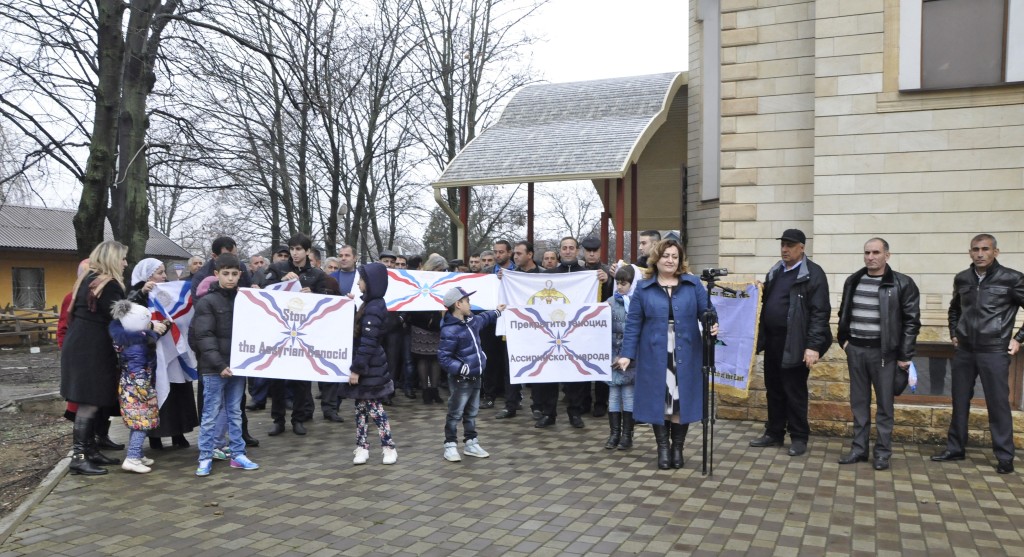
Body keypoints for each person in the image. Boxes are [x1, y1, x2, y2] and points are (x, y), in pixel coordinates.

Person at [616, 239, 716, 470]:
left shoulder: (693, 285)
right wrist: (627, 355)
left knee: (680, 400)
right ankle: (662, 447)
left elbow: (707, 312)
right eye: (666, 256)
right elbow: (633, 324)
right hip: (654, 352)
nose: (670, 260)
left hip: (687, 351)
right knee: (660, 400)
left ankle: (677, 448)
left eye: (675, 256)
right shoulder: (643, 287)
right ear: (656, 259)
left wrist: (713, 323)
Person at [932, 234, 1024, 474]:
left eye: (985, 249)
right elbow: (954, 309)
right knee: (959, 401)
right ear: (970, 252)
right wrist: (954, 332)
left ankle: (1005, 456)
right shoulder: (962, 278)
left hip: (994, 351)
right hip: (964, 350)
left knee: (998, 405)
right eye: (975, 249)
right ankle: (955, 448)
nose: (980, 253)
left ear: (996, 251)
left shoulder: (1012, 279)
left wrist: (1018, 339)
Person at [836, 238, 921, 471]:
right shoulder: (853, 280)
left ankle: (882, 453)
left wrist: (904, 355)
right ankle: (858, 449)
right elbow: (844, 311)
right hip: (856, 351)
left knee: (885, 406)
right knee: (859, 403)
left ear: (887, 255)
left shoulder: (902, 283)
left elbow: (912, 323)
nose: (871, 257)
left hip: (885, 355)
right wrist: (844, 341)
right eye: (867, 252)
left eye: (876, 252)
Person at [749, 229, 832, 457]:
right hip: (774, 342)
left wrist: (813, 346)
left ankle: (799, 437)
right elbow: (768, 302)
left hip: (796, 342)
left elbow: (820, 312)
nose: (785, 249)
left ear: (802, 248)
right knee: (774, 389)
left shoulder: (813, 274)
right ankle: (774, 433)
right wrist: (758, 289)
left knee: (794, 391)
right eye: (783, 245)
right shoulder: (776, 270)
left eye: (790, 245)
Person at [60, 241, 129, 475]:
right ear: (112, 258)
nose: (125, 263)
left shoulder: (87, 280)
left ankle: (88, 451)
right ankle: (79, 456)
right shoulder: (108, 284)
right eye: (122, 258)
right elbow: (120, 318)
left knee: (89, 400)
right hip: (92, 347)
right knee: (88, 402)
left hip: (80, 343)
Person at [192, 253, 260, 476]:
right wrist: (220, 364)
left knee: (234, 411)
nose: (230, 278)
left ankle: (238, 454)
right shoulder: (207, 302)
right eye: (226, 274)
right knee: (210, 414)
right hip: (214, 368)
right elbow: (204, 337)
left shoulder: (245, 299)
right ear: (216, 274)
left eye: (234, 274)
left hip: (238, 366)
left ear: (240, 274)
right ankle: (205, 456)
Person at [129, 258, 200, 450]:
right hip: (152, 353)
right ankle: (155, 437)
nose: (163, 276)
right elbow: (128, 315)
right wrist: (142, 293)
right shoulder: (136, 294)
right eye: (159, 273)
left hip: (174, 351)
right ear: (147, 276)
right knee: (157, 392)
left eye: (163, 272)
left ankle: (179, 432)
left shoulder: (167, 291)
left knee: (178, 391)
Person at [265, 233, 327, 435]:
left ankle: (299, 419)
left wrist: (314, 296)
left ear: (308, 251)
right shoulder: (278, 268)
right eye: (292, 249)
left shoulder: (316, 274)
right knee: (277, 379)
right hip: (280, 332)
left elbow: (328, 301)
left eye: (299, 249)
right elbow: (262, 292)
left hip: (303, 334)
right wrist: (282, 281)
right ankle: (278, 419)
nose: (294, 253)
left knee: (302, 380)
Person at [338, 262, 398, 465]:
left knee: (375, 408)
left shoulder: (373, 307)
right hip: (368, 366)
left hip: (369, 368)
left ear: (371, 283)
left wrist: (356, 369)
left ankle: (388, 447)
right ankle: (362, 447)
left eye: (361, 280)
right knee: (360, 409)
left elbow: (368, 342)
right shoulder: (369, 304)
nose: (358, 283)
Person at [437, 287, 505, 462]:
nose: (470, 303)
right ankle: (450, 445)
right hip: (461, 379)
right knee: (455, 412)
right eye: (467, 301)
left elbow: (484, 318)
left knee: (472, 412)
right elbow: (444, 358)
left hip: (476, 376)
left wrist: (497, 311)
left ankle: (471, 442)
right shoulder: (449, 330)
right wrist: (461, 368)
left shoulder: (472, 320)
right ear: (458, 304)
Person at [534, 237, 588, 429]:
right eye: (564, 248)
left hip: (575, 332)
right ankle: (549, 414)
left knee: (575, 375)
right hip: (551, 331)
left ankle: (575, 413)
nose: (567, 251)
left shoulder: (586, 275)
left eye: (571, 248)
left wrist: (605, 281)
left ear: (577, 251)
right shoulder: (550, 275)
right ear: (560, 251)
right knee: (550, 375)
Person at [109, 300, 167, 473]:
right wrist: (146, 390)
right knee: (142, 423)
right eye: (148, 322)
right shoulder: (137, 346)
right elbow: (137, 370)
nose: (151, 324)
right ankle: (132, 457)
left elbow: (150, 336)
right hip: (138, 390)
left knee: (138, 423)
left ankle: (138, 453)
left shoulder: (131, 338)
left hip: (130, 388)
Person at [606, 265, 637, 450]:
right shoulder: (610, 301)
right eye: (618, 283)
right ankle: (614, 433)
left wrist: (630, 355)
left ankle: (627, 435)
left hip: (630, 356)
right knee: (614, 396)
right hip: (612, 355)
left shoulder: (636, 303)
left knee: (628, 395)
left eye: (624, 283)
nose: (620, 287)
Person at [581, 236, 612, 417]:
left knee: (601, 363)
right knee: (582, 364)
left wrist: (608, 280)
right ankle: (583, 401)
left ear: (600, 252)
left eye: (595, 251)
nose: (592, 254)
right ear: (583, 252)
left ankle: (601, 402)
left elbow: (619, 292)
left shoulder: (607, 271)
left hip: (602, 326)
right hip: (581, 326)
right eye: (588, 251)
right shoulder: (577, 271)